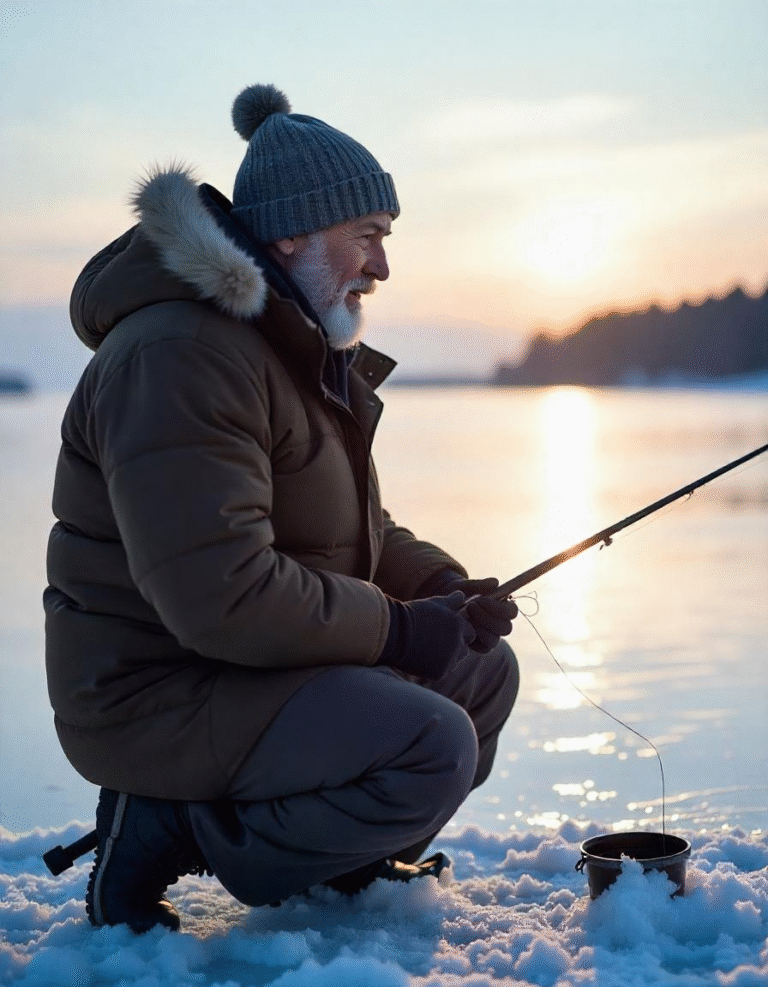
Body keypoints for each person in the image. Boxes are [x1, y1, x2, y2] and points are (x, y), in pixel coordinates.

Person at [44, 83, 520, 933]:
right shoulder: (182, 354)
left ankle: (344, 868)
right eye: (367, 235)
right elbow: (222, 593)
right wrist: (400, 628)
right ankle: (164, 823)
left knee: (481, 670)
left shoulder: (287, 346)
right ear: (294, 232)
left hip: (250, 666)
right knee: (431, 744)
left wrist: (442, 588)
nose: (382, 266)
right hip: (160, 691)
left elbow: (350, 532)